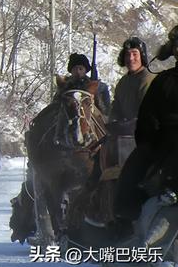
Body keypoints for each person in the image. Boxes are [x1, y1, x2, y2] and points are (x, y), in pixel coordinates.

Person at [112, 28, 178, 233]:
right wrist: (149, 141)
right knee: (132, 169)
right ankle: (125, 218)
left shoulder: (149, 79)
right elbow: (148, 115)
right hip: (165, 139)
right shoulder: (164, 80)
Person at [108, 37, 155, 131]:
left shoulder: (147, 79)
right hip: (125, 133)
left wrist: (129, 125)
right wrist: (114, 121)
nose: (130, 58)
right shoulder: (123, 82)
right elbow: (116, 108)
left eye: (135, 54)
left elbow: (149, 112)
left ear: (142, 56)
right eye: (127, 54)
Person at [66, 52, 111, 116]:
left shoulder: (91, 84)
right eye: (75, 69)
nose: (78, 72)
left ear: (85, 70)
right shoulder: (64, 85)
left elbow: (104, 88)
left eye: (81, 69)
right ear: (71, 71)